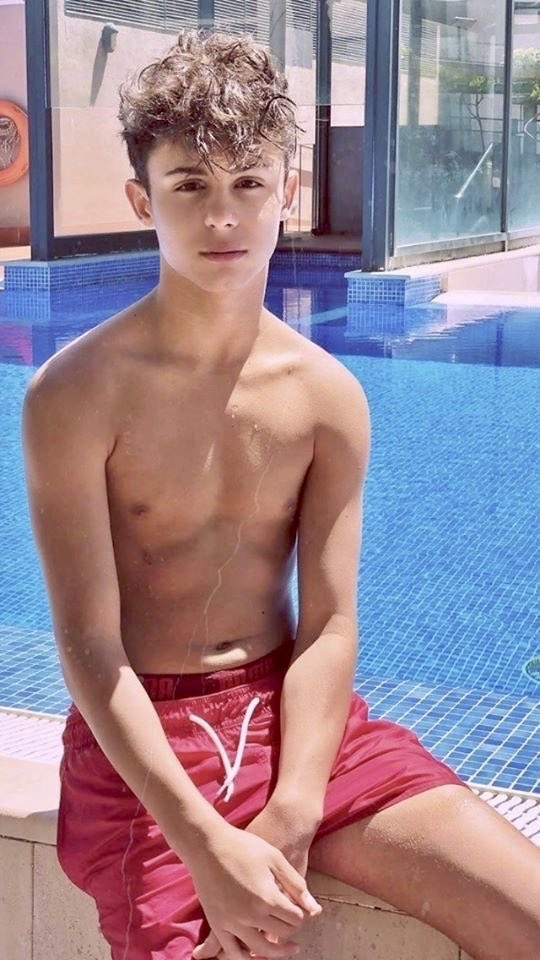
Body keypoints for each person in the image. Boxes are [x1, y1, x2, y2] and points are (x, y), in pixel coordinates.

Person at [23, 28, 539, 960]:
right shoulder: (75, 395)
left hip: (299, 727)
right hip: (146, 754)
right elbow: (90, 647)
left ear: (286, 192)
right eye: (190, 185)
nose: (223, 215)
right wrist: (201, 841)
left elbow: (330, 625)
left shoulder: (326, 397)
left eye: (249, 182)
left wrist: (296, 805)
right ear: (143, 200)